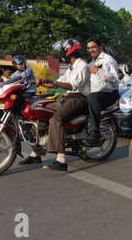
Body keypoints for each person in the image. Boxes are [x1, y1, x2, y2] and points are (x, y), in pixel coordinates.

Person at [21, 39, 90, 172]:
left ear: (67, 51)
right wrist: (40, 83)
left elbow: (71, 86)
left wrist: (53, 83)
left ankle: (61, 160)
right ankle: (36, 153)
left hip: (79, 98)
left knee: (56, 119)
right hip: (70, 97)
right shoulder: (72, 67)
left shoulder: (82, 66)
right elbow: (58, 82)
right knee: (43, 116)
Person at [86, 36, 120, 145]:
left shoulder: (108, 59)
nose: (91, 50)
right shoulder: (91, 62)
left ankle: (95, 131)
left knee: (92, 98)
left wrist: (97, 71)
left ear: (100, 47)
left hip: (111, 94)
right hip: (97, 92)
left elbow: (115, 78)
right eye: (88, 48)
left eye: (93, 47)